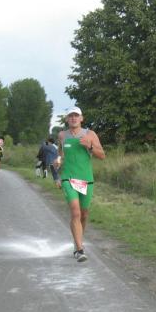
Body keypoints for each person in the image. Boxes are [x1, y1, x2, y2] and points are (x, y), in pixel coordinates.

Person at [57, 106, 105, 262]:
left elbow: (102, 155)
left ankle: (77, 241)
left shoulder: (90, 134)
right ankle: (79, 249)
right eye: (70, 116)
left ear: (81, 118)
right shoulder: (62, 135)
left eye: (76, 115)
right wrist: (58, 166)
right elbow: (60, 154)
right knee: (75, 213)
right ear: (67, 119)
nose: (73, 118)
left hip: (85, 179)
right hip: (68, 178)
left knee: (84, 215)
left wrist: (90, 146)